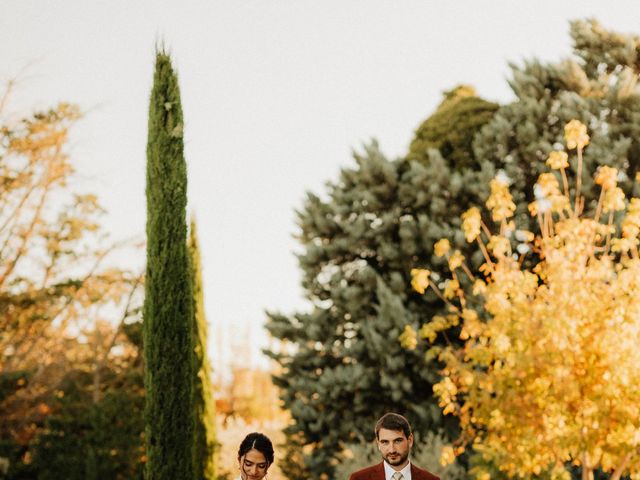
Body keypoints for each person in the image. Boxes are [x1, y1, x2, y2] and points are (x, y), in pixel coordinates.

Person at [349, 412, 440, 480]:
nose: (392, 450)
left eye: (397, 441)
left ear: (410, 440)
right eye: (385, 442)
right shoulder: (359, 478)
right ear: (378, 444)